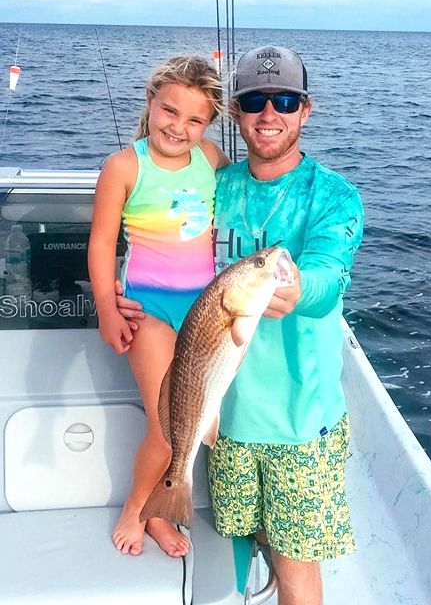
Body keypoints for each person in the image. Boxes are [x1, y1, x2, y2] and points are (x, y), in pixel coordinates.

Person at [116, 46, 363, 605]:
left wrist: (299, 291)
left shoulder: (334, 196)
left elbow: (328, 278)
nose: (269, 114)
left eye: (285, 101)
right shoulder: (217, 182)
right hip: (223, 416)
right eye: (254, 100)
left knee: (296, 571)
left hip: (299, 425)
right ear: (235, 112)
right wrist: (119, 285)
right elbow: (162, 232)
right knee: (247, 546)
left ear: (305, 109)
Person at [88, 55, 229, 557]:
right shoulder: (125, 166)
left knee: (196, 420)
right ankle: (138, 510)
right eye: (169, 111)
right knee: (168, 427)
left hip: (205, 312)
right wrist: (107, 308)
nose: (178, 127)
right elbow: (101, 243)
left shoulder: (210, 158)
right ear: (150, 103)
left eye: (195, 119)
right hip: (148, 312)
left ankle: (158, 512)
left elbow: (245, 196)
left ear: (208, 125)